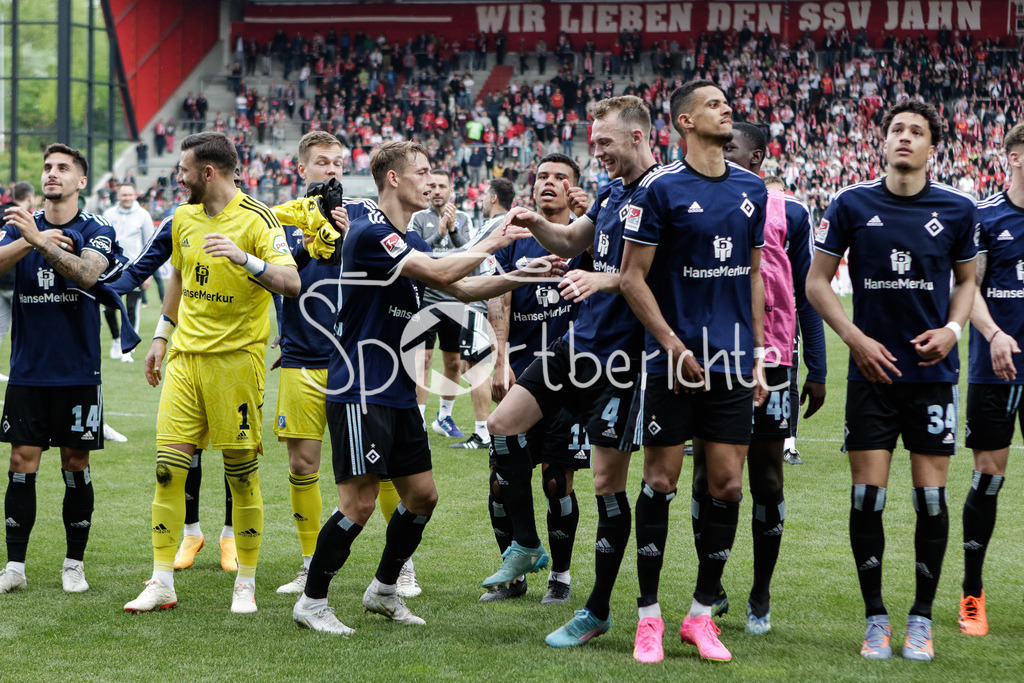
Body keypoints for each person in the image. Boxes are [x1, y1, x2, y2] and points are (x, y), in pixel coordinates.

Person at [290, 140, 560, 635]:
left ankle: (384, 590)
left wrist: (520, 274)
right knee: (359, 503)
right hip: (360, 386)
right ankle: (312, 601)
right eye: (422, 171)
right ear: (394, 178)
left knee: (422, 496)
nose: (430, 180)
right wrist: (495, 243)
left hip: (395, 390)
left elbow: (459, 287)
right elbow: (442, 271)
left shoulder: (407, 241)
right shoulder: (372, 233)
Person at [806, 100, 977, 661]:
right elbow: (817, 283)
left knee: (931, 499)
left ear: (933, 147)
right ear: (882, 142)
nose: (905, 137)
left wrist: (953, 329)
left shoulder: (956, 208)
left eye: (917, 132)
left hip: (933, 375)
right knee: (867, 498)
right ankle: (875, 617)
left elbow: (967, 281)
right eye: (896, 129)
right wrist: (854, 339)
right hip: (872, 375)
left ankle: (921, 619)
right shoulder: (852, 203)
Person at [489, 96, 652, 652]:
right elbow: (571, 241)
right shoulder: (608, 191)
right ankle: (529, 545)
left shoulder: (665, 191)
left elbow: (647, 275)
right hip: (575, 344)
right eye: (594, 141)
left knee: (606, 484)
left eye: (604, 141)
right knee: (503, 423)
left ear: (636, 136)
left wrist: (603, 282)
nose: (596, 151)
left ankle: (597, 608)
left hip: (623, 360)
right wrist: (536, 222)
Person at [619, 81, 768, 664]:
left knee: (728, 484)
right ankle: (648, 617)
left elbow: (754, 276)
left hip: (732, 360)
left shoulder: (753, 188)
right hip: (672, 361)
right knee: (660, 481)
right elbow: (632, 276)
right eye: (712, 104)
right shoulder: (660, 188)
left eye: (728, 103)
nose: (726, 108)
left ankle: (702, 616)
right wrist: (673, 346)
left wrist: (758, 354)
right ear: (684, 121)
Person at [124, 131, 300, 615]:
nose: (177, 179)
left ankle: (246, 582)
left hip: (236, 365)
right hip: (185, 358)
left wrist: (244, 258)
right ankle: (161, 581)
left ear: (208, 172)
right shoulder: (182, 217)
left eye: (183, 171)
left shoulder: (258, 218)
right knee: (167, 471)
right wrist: (161, 335)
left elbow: (291, 282)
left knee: (241, 477)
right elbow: (179, 275)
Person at [687, 123, 826, 637]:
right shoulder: (698, 204)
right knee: (705, 475)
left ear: (758, 157)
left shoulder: (789, 212)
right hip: (713, 357)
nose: (723, 156)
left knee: (767, 475)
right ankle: (711, 586)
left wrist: (818, 367)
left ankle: (760, 591)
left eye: (732, 149)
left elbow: (808, 292)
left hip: (772, 358)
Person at [0, 144, 127, 594]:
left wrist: (38, 241)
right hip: (28, 370)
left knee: (76, 463)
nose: (52, 174)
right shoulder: (16, 227)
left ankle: (74, 564)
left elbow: (89, 274)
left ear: (81, 181)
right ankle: (15, 566)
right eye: (48, 167)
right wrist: (29, 237)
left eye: (63, 169)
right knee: (21, 460)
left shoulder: (97, 228)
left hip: (77, 372)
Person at [265, 131, 379, 596]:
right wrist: (304, 243)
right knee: (301, 465)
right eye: (321, 162)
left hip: (359, 360)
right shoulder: (280, 221)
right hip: (301, 358)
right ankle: (310, 562)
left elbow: (385, 274)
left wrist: (347, 234)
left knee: (379, 467)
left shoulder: (364, 217)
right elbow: (270, 277)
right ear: (301, 169)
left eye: (338, 162)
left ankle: (400, 568)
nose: (332, 169)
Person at [482, 156, 592, 605]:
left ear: (574, 189)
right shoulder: (516, 236)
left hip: (571, 378)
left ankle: (560, 578)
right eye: (542, 177)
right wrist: (499, 359)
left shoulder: (587, 237)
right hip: (522, 375)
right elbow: (499, 297)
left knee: (556, 479)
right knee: (500, 483)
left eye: (560, 178)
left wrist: (591, 218)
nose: (549, 184)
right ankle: (515, 572)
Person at [957, 121, 1024, 637]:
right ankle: (972, 595)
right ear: (1014, 157)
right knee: (989, 478)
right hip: (996, 369)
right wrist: (995, 333)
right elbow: (967, 287)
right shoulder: (985, 216)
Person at [408, 171, 474, 437]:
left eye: (442, 186)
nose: (436, 190)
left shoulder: (465, 219)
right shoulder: (417, 218)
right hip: (426, 301)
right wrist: (438, 234)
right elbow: (415, 252)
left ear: (451, 191)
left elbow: (469, 253)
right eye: (432, 185)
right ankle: (419, 420)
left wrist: (454, 229)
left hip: (455, 301)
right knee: (421, 360)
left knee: (454, 362)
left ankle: (444, 417)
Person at [102, 183, 154, 364]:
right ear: (118, 196)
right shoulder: (108, 214)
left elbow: (149, 244)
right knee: (108, 308)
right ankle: (116, 339)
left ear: (135, 195)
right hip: (112, 269)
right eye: (123, 195)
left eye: (130, 195)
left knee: (132, 310)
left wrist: (148, 273)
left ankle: (127, 350)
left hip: (135, 269)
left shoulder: (143, 215)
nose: (127, 198)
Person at [0, 182, 35, 383]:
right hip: (16, 280)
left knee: (0, 328)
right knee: (27, 328)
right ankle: (26, 370)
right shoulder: (24, 218)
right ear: (29, 196)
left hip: (0, 279)